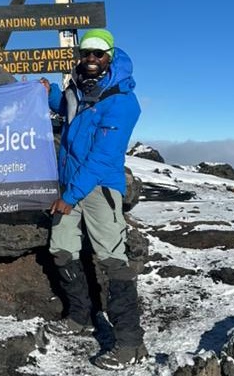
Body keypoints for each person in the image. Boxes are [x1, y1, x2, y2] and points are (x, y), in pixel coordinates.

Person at [40, 29, 147, 370]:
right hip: (70, 185)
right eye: (86, 53)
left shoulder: (122, 100)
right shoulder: (77, 88)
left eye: (98, 54)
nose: (91, 59)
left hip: (98, 187)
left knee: (113, 261)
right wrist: (50, 93)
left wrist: (70, 196)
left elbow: (103, 156)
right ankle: (80, 316)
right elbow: (68, 109)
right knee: (61, 249)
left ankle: (130, 342)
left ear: (109, 57)